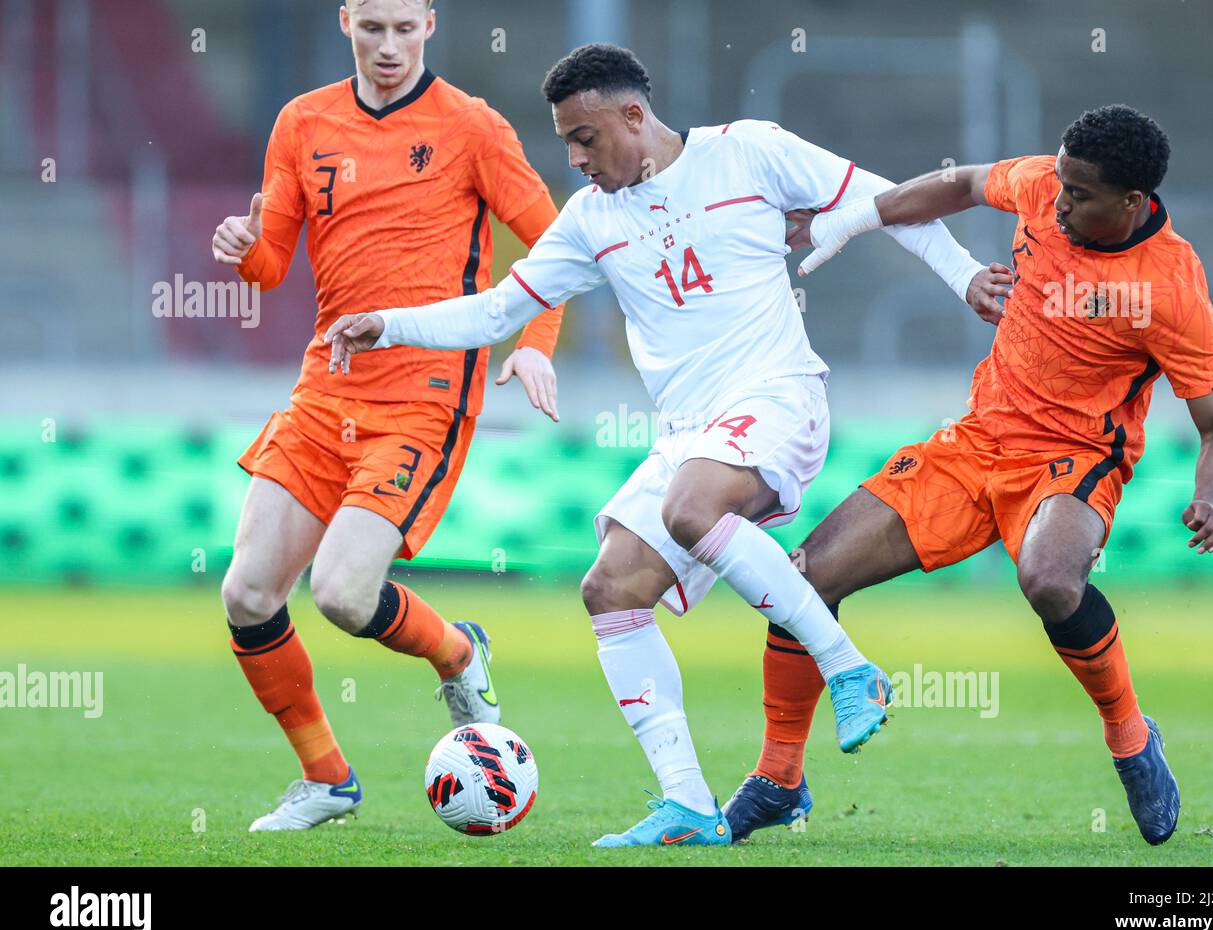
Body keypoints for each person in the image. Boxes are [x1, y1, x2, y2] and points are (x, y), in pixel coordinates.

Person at [323, 43, 1013, 847]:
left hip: (777, 398)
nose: (575, 158)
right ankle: (688, 804)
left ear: (634, 116)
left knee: (692, 507)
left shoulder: (748, 151)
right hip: (689, 432)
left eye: (585, 138)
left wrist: (964, 274)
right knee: (610, 588)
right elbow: (493, 313)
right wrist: (387, 325)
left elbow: (887, 202)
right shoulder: (589, 220)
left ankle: (850, 668)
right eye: (565, 142)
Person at [723, 104, 1213, 846]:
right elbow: (962, 183)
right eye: (1058, 184)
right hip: (976, 441)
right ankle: (777, 779)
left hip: (1073, 458)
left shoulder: (1171, 287)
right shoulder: (1044, 185)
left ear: (1132, 203)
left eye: (1079, 195)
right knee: (806, 579)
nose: (1058, 203)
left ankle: (1130, 739)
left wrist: (1209, 498)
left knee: (1052, 583)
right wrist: (854, 221)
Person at [212, 0, 564, 831]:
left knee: (339, 592)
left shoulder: (470, 127)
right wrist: (244, 250)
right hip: (326, 387)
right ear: (346, 23)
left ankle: (457, 652)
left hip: (423, 397)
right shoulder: (303, 121)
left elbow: (557, 242)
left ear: (430, 25)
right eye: (374, 27)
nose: (389, 46)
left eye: (405, 28)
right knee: (248, 592)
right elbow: (272, 266)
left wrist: (539, 340)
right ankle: (327, 781)